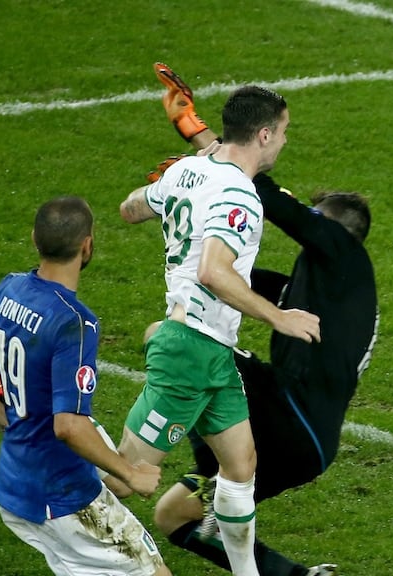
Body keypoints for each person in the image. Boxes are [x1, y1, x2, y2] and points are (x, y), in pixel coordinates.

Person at [147, 64, 379, 576]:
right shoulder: (326, 285)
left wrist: (196, 135)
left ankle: (133, 463)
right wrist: (189, 184)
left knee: (182, 342)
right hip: (296, 438)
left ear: (332, 228)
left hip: (294, 419)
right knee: (174, 515)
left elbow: (269, 196)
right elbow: (233, 280)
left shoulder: (345, 257)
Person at [117, 70, 322, 576]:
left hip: (215, 352)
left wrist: (170, 186)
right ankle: (58, 511)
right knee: (124, 475)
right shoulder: (241, 197)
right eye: (285, 129)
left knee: (241, 467)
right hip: (188, 349)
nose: (286, 139)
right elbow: (213, 272)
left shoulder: (190, 171)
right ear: (265, 134)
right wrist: (280, 316)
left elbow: (129, 210)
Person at [0, 196, 170, 576]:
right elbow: (69, 425)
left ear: (35, 238)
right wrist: (131, 475)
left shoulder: (6, 291)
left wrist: (13, 426)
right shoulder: (74, 324)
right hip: (63, 496)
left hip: (14, 488)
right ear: (88, 246)